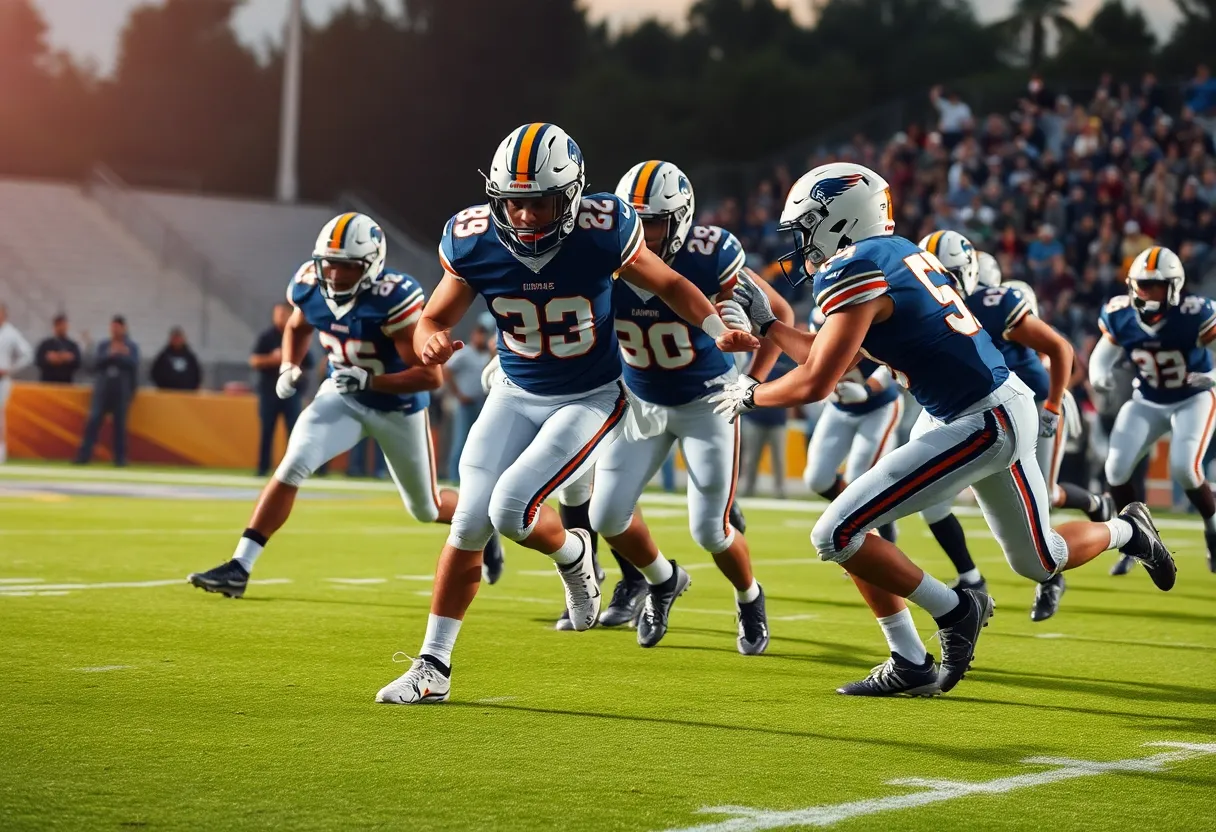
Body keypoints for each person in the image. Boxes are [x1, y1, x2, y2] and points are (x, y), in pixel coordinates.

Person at [712, 162, 1174, 697]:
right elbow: (847, 360)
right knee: (1041, 558)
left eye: (810, 223)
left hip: (977, 418)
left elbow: (817, 382)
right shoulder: (897, 252)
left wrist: (749, 392)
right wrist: (771, 328)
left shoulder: (857, 265)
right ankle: (1128, 530)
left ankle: (950, 616)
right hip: (996, 407)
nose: (803, 241)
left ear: (841, 217)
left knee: (836, 533)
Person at [375, 123, 757, 705]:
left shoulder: (604, 231)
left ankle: (577, 555)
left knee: (510, 507)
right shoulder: (473, 239)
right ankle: (434, 665)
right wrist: (428, 338)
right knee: (468, 522)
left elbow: (672, 283)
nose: (526, 218)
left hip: (592, 394)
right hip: (514, 389)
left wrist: (714, 328)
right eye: (514, 204)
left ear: (573, 196)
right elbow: (435, 316)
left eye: (542, 203)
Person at [188, 213, 499, 599]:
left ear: (370, 267)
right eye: (329, 265)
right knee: (293, 464)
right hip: (342, 396)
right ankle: (240, 565)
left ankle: (483, 526)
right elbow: (297, 326)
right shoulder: (309, 285)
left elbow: (429, 378)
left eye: (346, 268)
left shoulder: (393, 300)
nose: (334, 276)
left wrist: (372, 380)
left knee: (426, 508)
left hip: (397, 408)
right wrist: (289, 364)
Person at [576, 159, 791, 653]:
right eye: (631, 221)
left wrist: (751, 380)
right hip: (641, 402)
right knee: (607, 517)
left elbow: (777, 314)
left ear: (680, 219)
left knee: (711, 532)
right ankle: (662, 578)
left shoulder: (711, 254)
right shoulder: (598, 256)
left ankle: (748, 596)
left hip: (707, 404)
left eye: (651, 222)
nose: (641, 234)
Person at [918, 232, 1113, 623]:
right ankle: (971, 578)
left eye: (950, 274)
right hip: (976, 413)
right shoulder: (922, 306)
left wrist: (1055, 404)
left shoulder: (995, 302)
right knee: (933, 502)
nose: (944, 282)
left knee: (1042, 501)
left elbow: (1058, 348)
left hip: (1036, 405)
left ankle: (1065, 558)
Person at [1091, 246, 1216, 574]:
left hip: (1193, 397)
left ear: (1174, 286)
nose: (1146, 292)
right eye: (1141, 284)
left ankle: (1214, 529)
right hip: (1146, 398)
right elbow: (1103, 353)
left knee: (1185, 468)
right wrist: (1098, 373)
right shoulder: (1120, 313)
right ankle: (1134, 541)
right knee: (1115, 469)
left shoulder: (1196, 314)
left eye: (1155, 285)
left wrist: (1212, 376)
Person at [802, 305, 902, 544]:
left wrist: (867, 390)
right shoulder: (818, 317)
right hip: (838, 408)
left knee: (859, 479)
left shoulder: (869, 319)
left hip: (878, 408)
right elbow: (809, 358)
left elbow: (890, 366)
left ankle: (873, 541)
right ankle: (876, 518)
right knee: (817, 479)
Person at [250, 304, 314, 476]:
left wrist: (287, 361)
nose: (280, 317)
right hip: (269, 392)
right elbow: (255, 360)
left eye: (283, 313)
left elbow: (308, 363)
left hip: (292, 392)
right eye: (277, 314)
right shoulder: (267, 337)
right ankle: (263, 468)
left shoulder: (297, 335)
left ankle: (292, 468)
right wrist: (276, 360)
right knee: (267, 431)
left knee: (293, 431)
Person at [75, 316, 139, 466]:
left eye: (118, 327)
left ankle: (120, 458)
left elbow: (134, 364)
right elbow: (95, 364)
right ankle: (84, 455)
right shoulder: (104, 345)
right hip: (103, 390)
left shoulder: (131, 347)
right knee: (94, 420)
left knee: (120, 425)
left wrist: (122, 355)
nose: (115, 330)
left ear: (124, 328)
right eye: (113, 327)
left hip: (121, 390)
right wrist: (111, 354)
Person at [442, 312, 494, 484]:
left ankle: (474, 479)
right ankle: (454, 477)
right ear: (473, 335)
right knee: (461, 440)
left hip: (482, 403)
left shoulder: (487, 355)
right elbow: (447, 370)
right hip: (465, 404)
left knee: (479, 442)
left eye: (484, 334)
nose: (482, 337)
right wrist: (458, 394)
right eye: (479, 333)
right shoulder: (465, 353)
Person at [0, 303, 34, 463]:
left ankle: (1, 452)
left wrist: (10, 369)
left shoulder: (11, 333)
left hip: (2, 379)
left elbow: (27, 354)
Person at [35, 313, 82, 384]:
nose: (62, 328)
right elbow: (38, 361)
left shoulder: (72, 345)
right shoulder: (45, 345)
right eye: (59, 325)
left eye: (64, 325)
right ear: (54, 327)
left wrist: (68, 359)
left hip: (66, 384)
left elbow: (78, 363)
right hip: (47, 384)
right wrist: (49, 360)